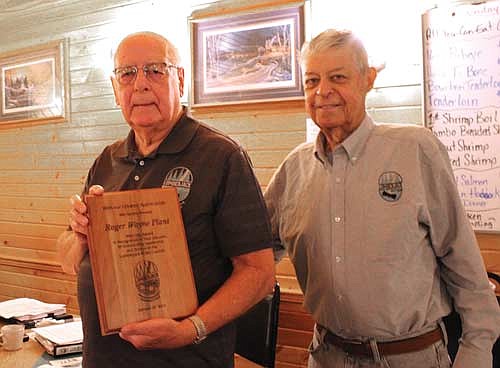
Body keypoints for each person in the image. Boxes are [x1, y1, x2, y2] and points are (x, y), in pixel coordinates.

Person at [264, 29, 500, 368]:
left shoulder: (416, 150)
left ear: (367, 79)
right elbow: (254, 253)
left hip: (411, 358)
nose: (323, 91)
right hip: (326, 356)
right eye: (312, 80)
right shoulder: (293, 170)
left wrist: (476, 352)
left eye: (338, 77)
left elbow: (461, 259)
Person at [56, 31, 275, 368]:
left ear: (181, 80)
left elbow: (259, 274)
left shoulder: (221, 156)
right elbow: (68, 260)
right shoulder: (106, 160)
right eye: (127, 73)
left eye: (155, 70)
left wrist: (190, 329)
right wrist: (82, 236)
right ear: (116, 91)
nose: (140, 84)